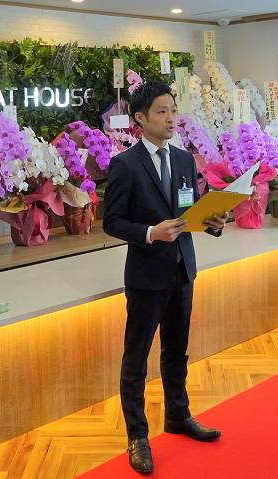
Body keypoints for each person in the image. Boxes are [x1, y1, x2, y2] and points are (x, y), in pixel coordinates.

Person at [103, 81, 228, 474]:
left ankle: (178, 415)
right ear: (140, 119)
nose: (171, 118)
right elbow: (111, 221)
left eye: (173, 110)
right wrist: (149, 233)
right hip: (146, 275)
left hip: (182, 270)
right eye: (162, 111)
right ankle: (137, 436)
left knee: (177, 352)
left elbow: (189, 210)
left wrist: (212, 221)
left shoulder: (186, 160)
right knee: (136, 359)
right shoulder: (125, 164)